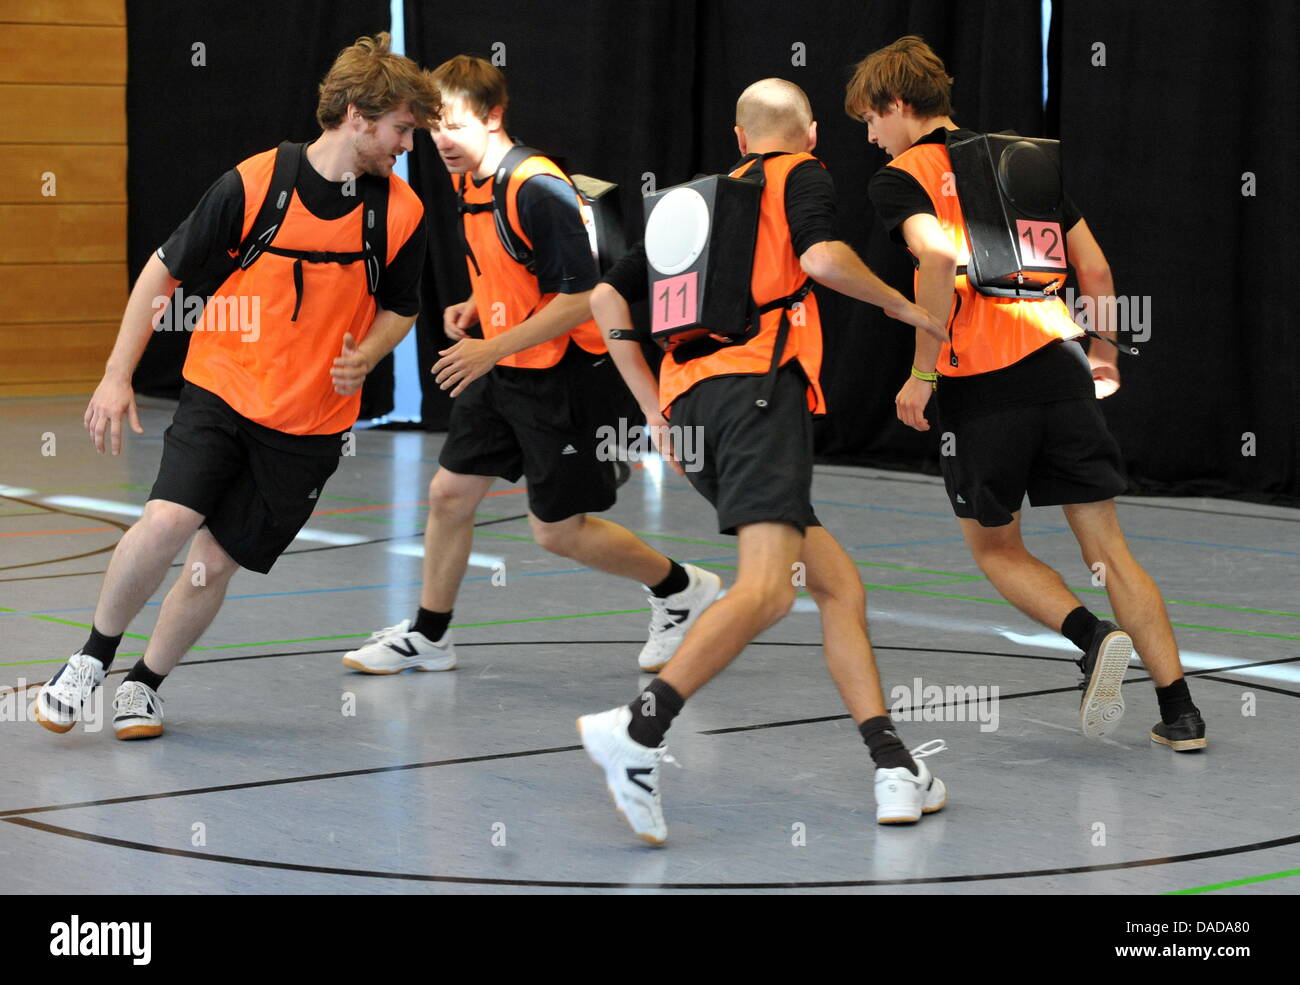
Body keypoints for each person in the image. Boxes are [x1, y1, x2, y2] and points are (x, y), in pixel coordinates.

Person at [576, 78, 953, 845]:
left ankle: (893, 764)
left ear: (739, 138)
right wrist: (907, 307)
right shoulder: (802, 175)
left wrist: (654, 407)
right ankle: (638, 731)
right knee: (769, 592)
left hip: (693, 411)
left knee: (838, 585)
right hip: (757, 397)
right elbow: (819, 258)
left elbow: (607, 305)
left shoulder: (689, 201)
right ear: (810, 134)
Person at [35, 33, 438, 740]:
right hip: (223, 387)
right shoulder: (256, 183)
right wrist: (115, 373)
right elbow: (163, 272)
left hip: (311, 423)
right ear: (357, 114)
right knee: (166, 521)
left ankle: (145, 686)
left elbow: (403, 308)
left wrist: (368, 354)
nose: (409, 145)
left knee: (212, 563)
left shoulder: (399, 213)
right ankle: (91, 657)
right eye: (403, 128)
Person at [851, 35, 1206, 751]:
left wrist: (922, 372)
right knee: (1108, 547)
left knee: (995, 547)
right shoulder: (1023, 161)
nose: (870, 136)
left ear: (897, 104)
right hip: (1061, 363)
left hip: (983, 383)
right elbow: (1097, 272)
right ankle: (1182, 712)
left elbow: (938, 259)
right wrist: (1103, 354)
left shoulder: (900, 177)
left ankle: (1090, 635)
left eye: (869, 119)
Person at [342, 56, 721, 677]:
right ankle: (430, 636)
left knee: (557, 531)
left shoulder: (537, 188)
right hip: (507, 362)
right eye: (433, 125)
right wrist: (478, 305)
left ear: (495, 117)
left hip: (566, 375)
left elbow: (582, 300)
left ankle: (679, 588)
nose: (440, 140)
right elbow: (517, 271)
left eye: (456, 125)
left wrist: (490, 346)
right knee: (448, 494)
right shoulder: (467, 179)